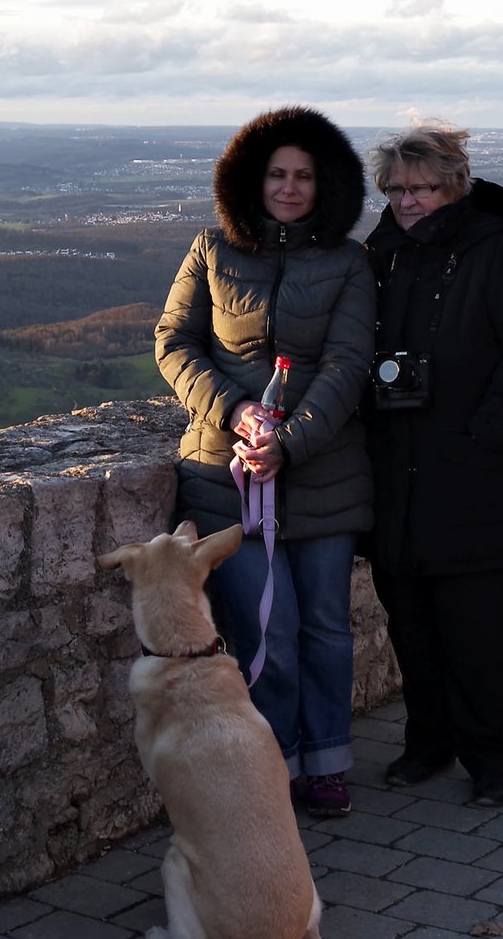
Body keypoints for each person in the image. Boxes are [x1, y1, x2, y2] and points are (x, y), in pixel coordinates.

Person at [155, 106, 375, 818]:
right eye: (277, 174)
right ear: (252, 180)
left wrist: (292, 438)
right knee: (261, 632)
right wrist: (238, 413)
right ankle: (271, 766)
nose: (288, 187)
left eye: (303, 176)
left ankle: (328, 763)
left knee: (324, 626)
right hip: (224, 475)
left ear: (325, 184)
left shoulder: (348, 262)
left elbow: (348, 363)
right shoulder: (211, 250)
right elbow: (174, 344)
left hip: (324, 473)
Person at [362, 123, 503, 809]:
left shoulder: (496, 252)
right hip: (400, 473)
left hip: (479, 476)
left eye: (419, 188)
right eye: (395, 189)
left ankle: (491, 760)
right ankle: (427, 745)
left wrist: (485, 437)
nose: (406, 201)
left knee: (479, 632)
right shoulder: (382, 254)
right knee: (411, 625)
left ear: (453, 184)